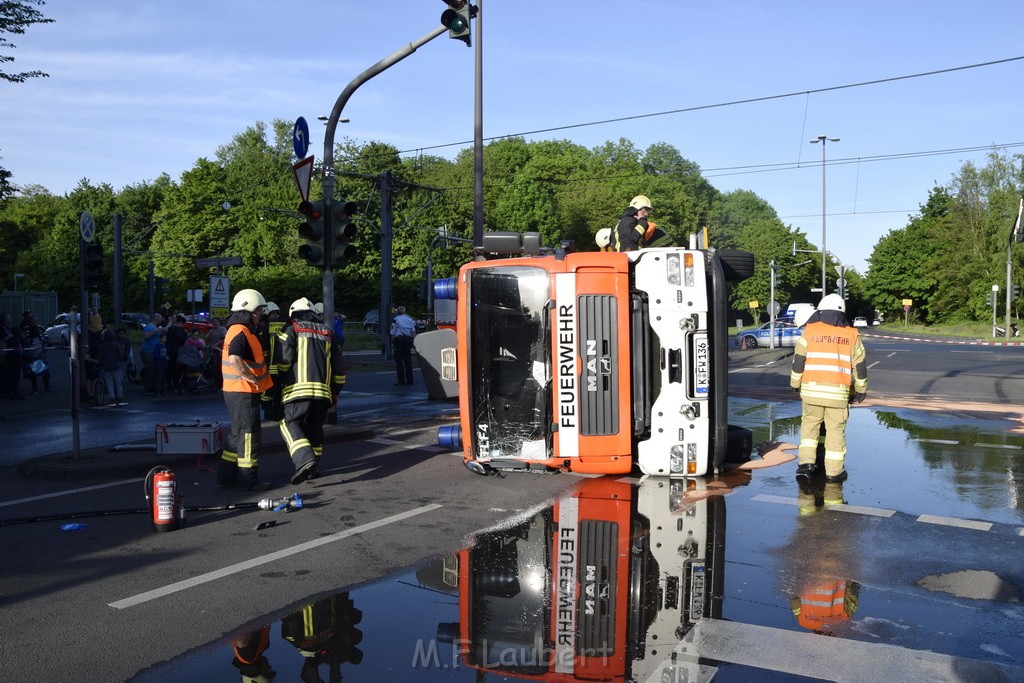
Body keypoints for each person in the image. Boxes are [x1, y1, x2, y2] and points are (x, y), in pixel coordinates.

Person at [790, 293, 868, 483]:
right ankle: (834, 472)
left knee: (809, 428)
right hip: (838, 395)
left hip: (811, 392)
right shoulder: (851, 334)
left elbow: (798, 361)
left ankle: (806, 465)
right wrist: (861, 389)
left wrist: (795, 384)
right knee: (835, 432)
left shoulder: (809, 331)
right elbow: (860, 366)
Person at [277, 297, 346, 484]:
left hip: (297, 390)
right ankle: (313, 468)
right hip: (323, 392)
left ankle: (305, 460)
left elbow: (284, 361)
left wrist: (279, 380)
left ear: (293, 314)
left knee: (288, 423)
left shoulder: (291, 328)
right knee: (314, 429)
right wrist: (336, 391)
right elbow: (339, 368)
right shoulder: (328, 333)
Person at [217, 288, 273, 490]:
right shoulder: (240, 331)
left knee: (236, 435)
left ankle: (226, 476)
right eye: (258, 311)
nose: (260, 315)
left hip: (236, 391)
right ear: (246, 311)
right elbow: (234, 359)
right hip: (243, 391)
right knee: (248, 436)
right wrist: (251, 377)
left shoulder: (238, 330)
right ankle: (248, 480)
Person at [258, 302, 285, 422]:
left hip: (270, 366)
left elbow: (263, 348)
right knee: (281, 391)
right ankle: (280, 414)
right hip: (285, 366)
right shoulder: (288, 324)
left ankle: (269, 415)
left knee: (268, 392)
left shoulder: (265, 326)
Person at [19, 313, 53, 395]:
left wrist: (44, 348)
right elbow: (23, 340)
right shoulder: (27, 329)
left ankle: (42, 389)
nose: (34, 321)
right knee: (36, 372)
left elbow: (45, 338)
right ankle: (39, 389)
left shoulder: (40, 327)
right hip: (33, 353)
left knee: (42, 371)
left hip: (38, 353)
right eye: (32, 320)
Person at [95, 327, 125, 406]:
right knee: (118, 382)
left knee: (109, 383)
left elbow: (99, 358)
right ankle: (120, 397)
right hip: (115, 366)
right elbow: (120, 356)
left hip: (106, 367)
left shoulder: (102, 346)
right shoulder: (116, 345)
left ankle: (112, 399)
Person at [390, 305, 417, 386]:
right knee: (408, 361)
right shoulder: (409, 320)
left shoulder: (395, 320)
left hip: (399, 341)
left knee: (399, 361)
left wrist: (392, 342)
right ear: (404, 312)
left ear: (397, 312)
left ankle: (401, 380)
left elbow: (392, 333)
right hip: (408, 341)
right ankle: (410, 380)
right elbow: (413, 332)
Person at [140, 312, 166, 394]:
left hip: (153, 351)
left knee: (153, 369)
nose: (161, 320)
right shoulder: (149, 327)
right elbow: (146, 336)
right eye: (160, 318)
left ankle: (152, 386)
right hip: (148, 351)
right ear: (157, 319)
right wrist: (154, 331)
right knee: (150, 369)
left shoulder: (155, 327)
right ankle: (148, 388)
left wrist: (170, 323)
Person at [1, 312, 24, 399]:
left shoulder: (8, 329)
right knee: (12, 375)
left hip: (10, 356)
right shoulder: (3, 331)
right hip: (9, 356)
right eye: (8, 317)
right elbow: (6, 340)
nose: (10, 319)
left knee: (11, 374)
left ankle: (10, 391)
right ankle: (11, 391)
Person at [164, 314, 189, 394]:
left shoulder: (171, 329)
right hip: (177, 352)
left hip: (169, 351)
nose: (184, 325)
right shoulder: (179, 330)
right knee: (176, 369)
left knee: (169, 369)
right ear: (181, 323)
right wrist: (186, 334)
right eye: (184, 324)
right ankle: (176, 385)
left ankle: (169, 385)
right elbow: (183, 340)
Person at [205, 316, 227, 388]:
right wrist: (208, 337)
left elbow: (223, 339)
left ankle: (221, 383)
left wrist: (215, 345)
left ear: (219, 322)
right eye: (213, 322)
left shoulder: (222, 329)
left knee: (219, 367)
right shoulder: (211, 331)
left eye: (216, 321)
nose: (215, 323)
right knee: (213, 367)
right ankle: (215, 382)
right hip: (212, 351)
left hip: (220, 350)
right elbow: (207, 339)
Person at [152, 332, 168, 397]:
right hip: (159, 363)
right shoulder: (157, 346)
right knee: (159, 378)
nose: (165, 339)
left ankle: (163, 391)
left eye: (165, 338)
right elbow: (156, 356)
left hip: (164, 363)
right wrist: (164, 357)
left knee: (164, 378)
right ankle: (157, 392)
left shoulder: (165, 346)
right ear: (160, 339)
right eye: (163, 338)